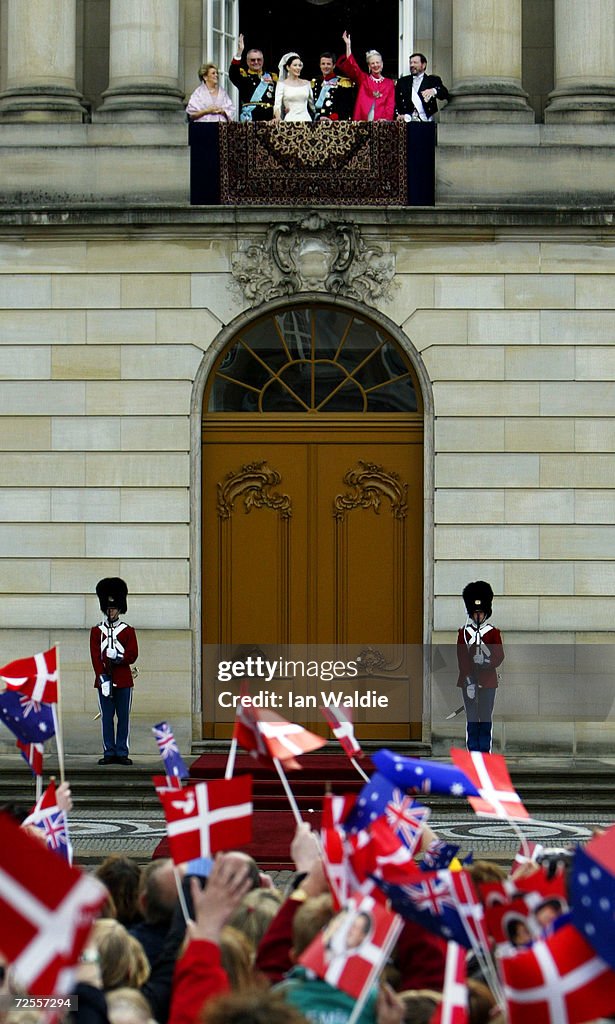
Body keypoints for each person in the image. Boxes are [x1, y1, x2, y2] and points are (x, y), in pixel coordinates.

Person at [91, 577, 138, 766]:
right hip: (104, 682)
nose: (111, 612)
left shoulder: (127, 630)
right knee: (107, 719)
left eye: (114, 609)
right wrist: (102, 678)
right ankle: (109, 751)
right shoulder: (97, 631)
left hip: (123, 680)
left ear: (120, 609)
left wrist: (119, 656)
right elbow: (95, 657)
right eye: (108, 609)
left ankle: (122, 751)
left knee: (123, 718)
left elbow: (133, 654)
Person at [456, 581, 504, 753]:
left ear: (486, 613)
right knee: (472, 720)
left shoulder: (493, 632)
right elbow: (462, 659)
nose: (478, 617)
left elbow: (499, 656)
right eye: (475, 613)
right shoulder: (464, 633)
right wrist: (468, 681)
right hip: (469, 683)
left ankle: (485, 752)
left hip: (488, 682)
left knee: (484, 719)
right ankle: (473, 753)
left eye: (481, 613)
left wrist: (484, 661)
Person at [336, 31, 395, 121]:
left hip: (382, 123)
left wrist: (386, 119)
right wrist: (348, 45)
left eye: (377, 62)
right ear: (369, 66)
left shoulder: (389, 83)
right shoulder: (363, 79)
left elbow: (390, 104)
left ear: (382, 64)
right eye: (372, 63)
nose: (375, 65)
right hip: (363, 120)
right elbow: (352, 65)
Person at [228, 35, 277, 122]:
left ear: (263, 60)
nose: (256, 62)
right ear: (247, 61)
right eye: (252, 60)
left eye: (259, 59)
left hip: (269, 119)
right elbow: (233, 73)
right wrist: (239, 52)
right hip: (250, 119)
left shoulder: (272, 76)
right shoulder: (243, 76)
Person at [395, 53, 449, 122]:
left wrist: (433, 91)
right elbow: (396, 101)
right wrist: (398, 115)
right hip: (406, 122)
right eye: (410, 63)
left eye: (415, 62)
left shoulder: (432, 80)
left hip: (426, 122)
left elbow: (444, 93)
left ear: (423, 65)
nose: (412, 65)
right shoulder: (402, 82)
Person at [310, 52, 355, 122]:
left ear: (334, 66)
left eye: (328, 64)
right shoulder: (315, 82)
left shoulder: (342, 83)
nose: (325, 66)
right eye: (323, 64)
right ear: (320, 66)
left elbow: (345, 106)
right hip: (315, 121)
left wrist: (332, 118)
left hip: (334, 122)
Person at [273, 53, 313, 122]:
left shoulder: (307, 84)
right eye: (295, 65)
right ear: (288, 67)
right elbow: (277, 105)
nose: (298, 68)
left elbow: (312, 105)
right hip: (290, 121)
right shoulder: (281, 84)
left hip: (307, 120)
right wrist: (278, 117)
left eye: (299, 65)